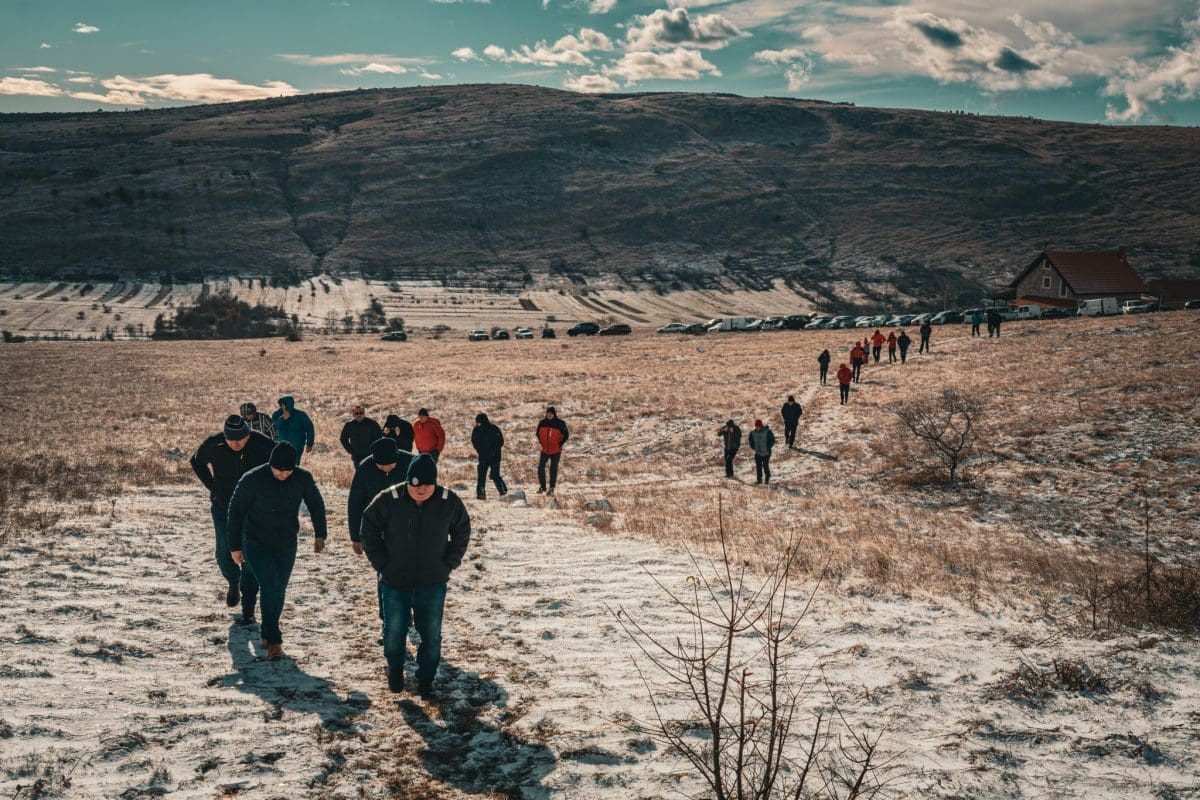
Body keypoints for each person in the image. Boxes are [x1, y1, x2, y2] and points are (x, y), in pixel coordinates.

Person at [360, 454, 471, 698]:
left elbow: (462, 530)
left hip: (432, 582)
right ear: (408, 481)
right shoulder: (390, 499)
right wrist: (381, 564)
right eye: (416, 484)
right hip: (395, 581)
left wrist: (449, 563)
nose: (421, 490)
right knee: (394, 631)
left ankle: (425, 680)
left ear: (436, 483)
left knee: (431, 634)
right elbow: (368, 527)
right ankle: (396, 669)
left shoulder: (448, 501)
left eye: (427, 485)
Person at [227, 442, 327, 661]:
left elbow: (316, 504)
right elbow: (235, 512)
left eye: (289, 469)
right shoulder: (252, 479)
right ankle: (274, 639)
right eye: (280, 469)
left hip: (286, 542)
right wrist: (234, 546)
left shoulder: (302, 478)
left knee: (277, 589)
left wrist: (320, 533)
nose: (284, 473)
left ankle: (265, 629)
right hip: (255, 540)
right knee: (270, 586)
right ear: (271, 464)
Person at [190, 415, 274, 620]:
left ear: (248, 435)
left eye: (241, 439)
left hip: (252, 510)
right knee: (223, 552)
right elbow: (196, 461)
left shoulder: (263, 444)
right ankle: (233, 582)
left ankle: (248, 600)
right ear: (225, 437)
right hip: (223, 507)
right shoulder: (214, 443)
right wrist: (212, 487)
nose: (236, 444)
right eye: (231, 440)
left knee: (248, 554)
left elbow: (281, 463)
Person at [471, 413, 507, 500]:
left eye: (479, 422)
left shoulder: (494, 429)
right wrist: (479, 450)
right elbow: (474, 441)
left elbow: (500, 441)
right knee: (481, 477)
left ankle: (503, 492)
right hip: (483, 457)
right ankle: (481, 496)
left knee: (495, 475)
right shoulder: (476, 430)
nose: (478, 424)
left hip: (494, 457)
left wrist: (493, 452)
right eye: (477, 422)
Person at [536, 406, 570, 495]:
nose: (549, 415)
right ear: (546, 414)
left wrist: (559, 444)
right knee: (540, 468)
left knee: (553, 469)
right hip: (545, 450)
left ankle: (551, 488)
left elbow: (566, 435)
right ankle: (543, 486)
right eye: (548, 413)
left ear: (554, 414)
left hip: (556, 451)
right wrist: (541, 443)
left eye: (551, 413)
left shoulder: (560, 423)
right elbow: (537, 433)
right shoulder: (542, 423)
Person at [271, 396, 315, 464]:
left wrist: (309, 444)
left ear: (290, 404)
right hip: (281, 446)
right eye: (282, 404)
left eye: (284, 404)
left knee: (294, 466)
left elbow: (310, 428)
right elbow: (273, 428)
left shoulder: (300, 415)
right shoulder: (277, 414)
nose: (283, 406)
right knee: (282, 466)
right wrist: (282, 419)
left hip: (297, 447)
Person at [748, 420, 776, 485]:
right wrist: (753, 447)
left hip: (766, 452)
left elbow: (772, 440)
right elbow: (750, 440)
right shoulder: (752, 433)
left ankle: (767, 478)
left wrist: (768, 447)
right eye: (756, 426)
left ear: (761, 426)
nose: (757, 428)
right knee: (758, 467)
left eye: (758, 426)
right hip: (758, 453)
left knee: (765, 465)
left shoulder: (767, 432)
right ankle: (759, 480)